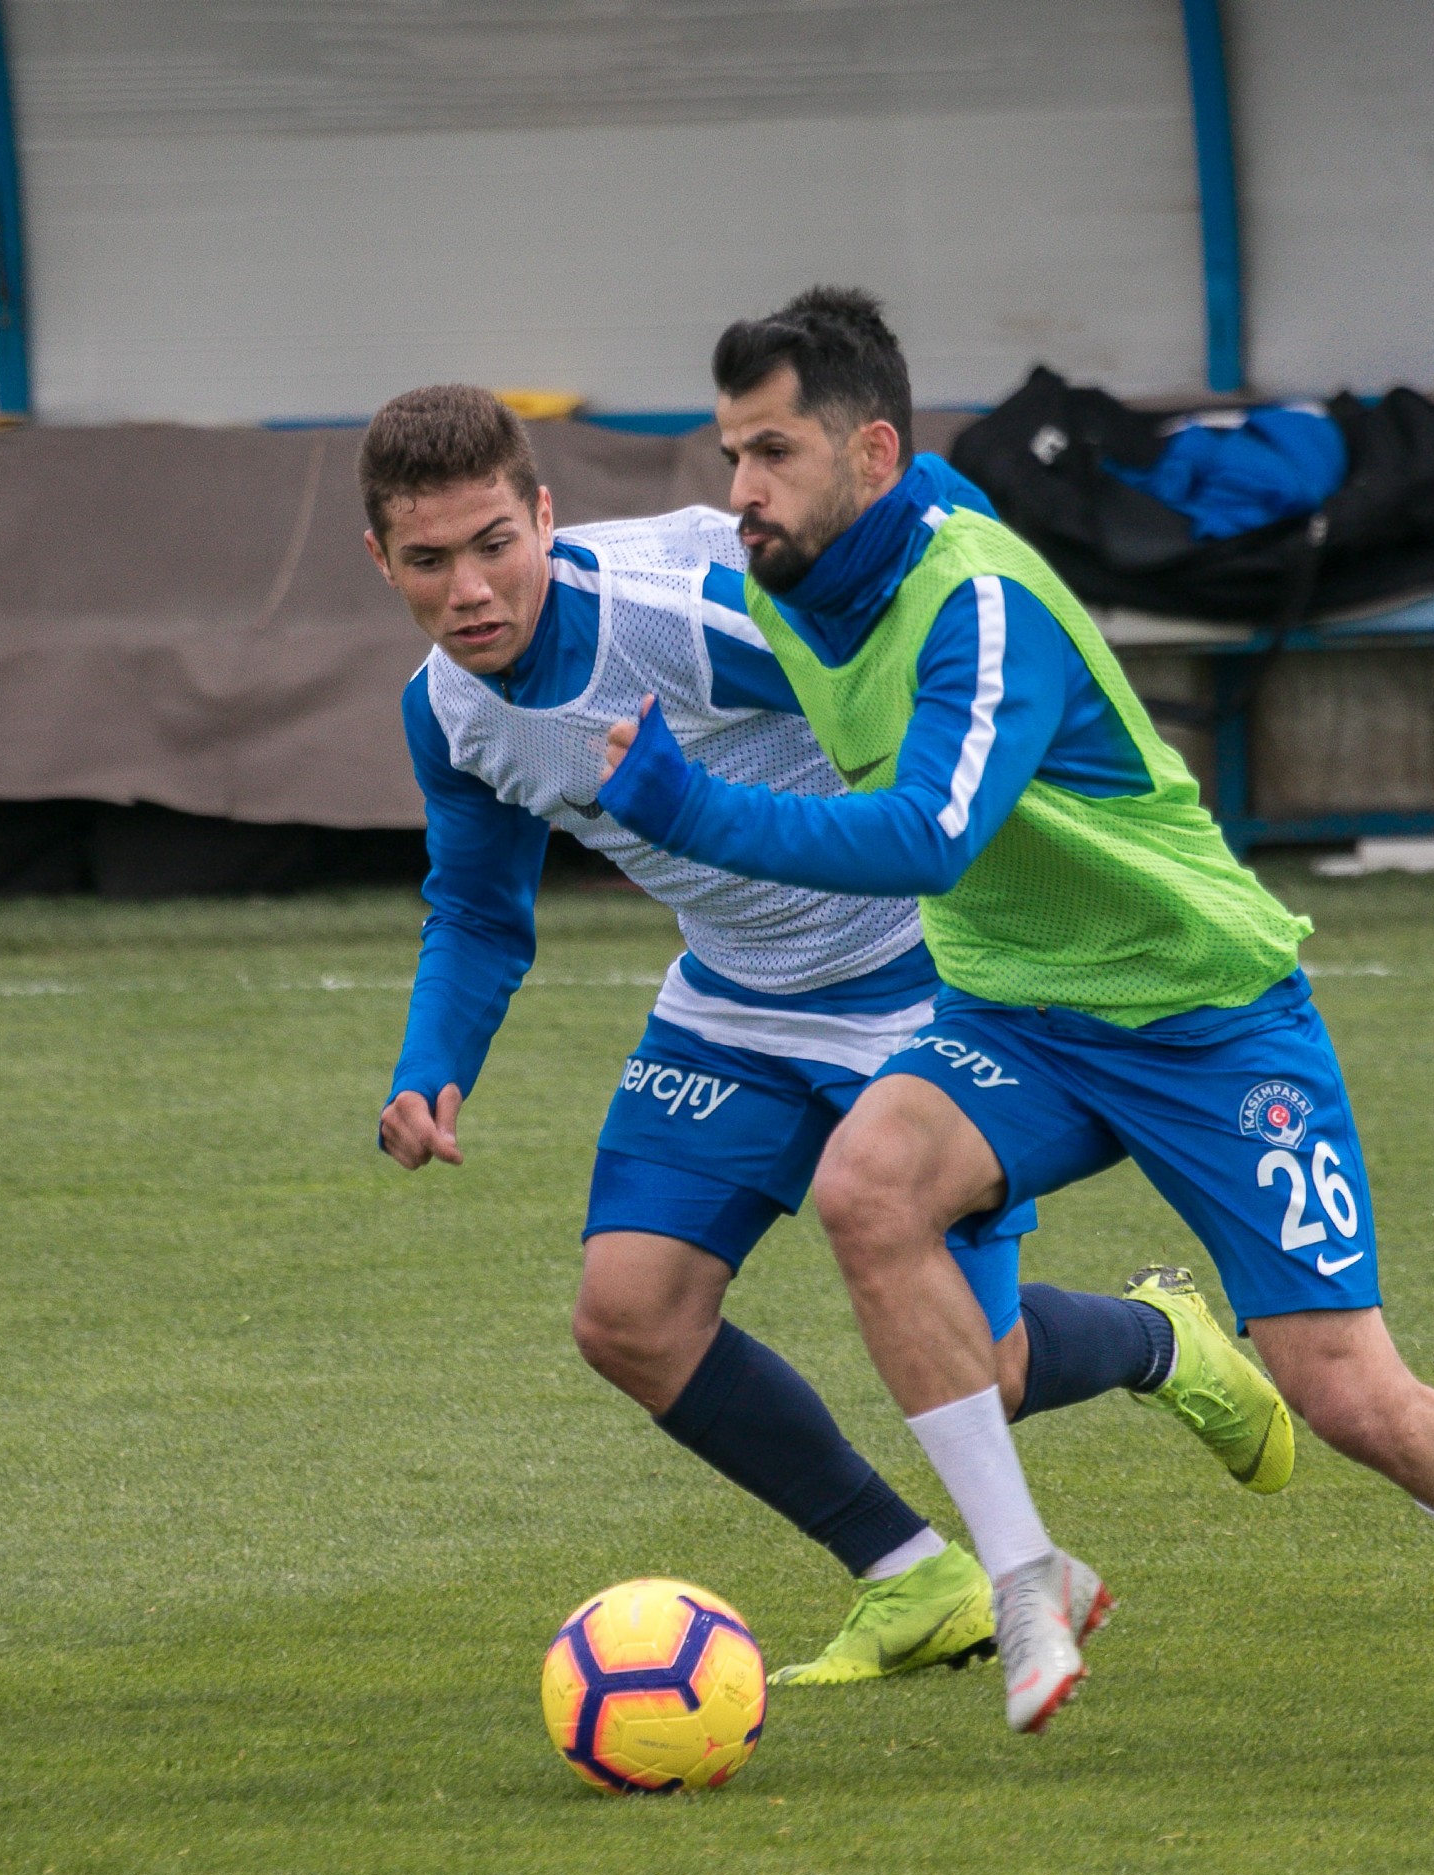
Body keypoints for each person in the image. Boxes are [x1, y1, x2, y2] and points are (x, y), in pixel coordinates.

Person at [597, 287, 1434, 1752]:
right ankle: (1025, 1578)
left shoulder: (977, 598)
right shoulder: (783, 584)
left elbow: (930, 833)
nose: (741, 490)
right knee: (868, 1186)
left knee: (1345, 1391)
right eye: (731, 454)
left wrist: (689, 808)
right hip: (1020, 1013)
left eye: (772, 454)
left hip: (1206, 1015)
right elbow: (603, 581)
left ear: (872, 453)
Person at [361, 384, 1292, 1688]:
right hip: (733, 999)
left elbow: (924, 656)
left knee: (991, 1370)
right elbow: (474, 908)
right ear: (381, 560)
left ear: (545, 518)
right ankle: (914, 1577)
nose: (468, 589)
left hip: (918, 983)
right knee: (630, 1318)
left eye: (493, 545)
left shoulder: (691, 613)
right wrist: (430, 1071)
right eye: (429, 560)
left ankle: (1159, 1341)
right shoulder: (446, 709)